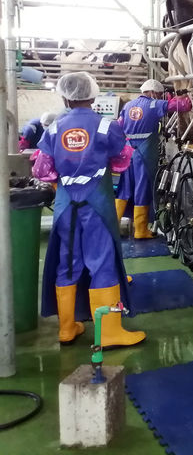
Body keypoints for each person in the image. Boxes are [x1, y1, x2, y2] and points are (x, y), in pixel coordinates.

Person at [33, 71, 145, 348]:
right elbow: (122, 161)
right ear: (93, 95)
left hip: (64, 206)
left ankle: (67, 327)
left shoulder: (54, 128)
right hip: (97, 204)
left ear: (64, 96)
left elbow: (42, 170)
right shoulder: (106, 126)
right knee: (102, 261)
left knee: (66, 262)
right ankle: (109, 332)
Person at [115, 79, 191, 239]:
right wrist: (191, 95)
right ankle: (141, 230)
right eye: (158, 94)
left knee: (124, 188)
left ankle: (113, 227)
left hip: (127, 151)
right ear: (153, 93)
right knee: (143, 187)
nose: (158, 96)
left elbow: (118, 126)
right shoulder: (154, 104)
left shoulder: (127, 106)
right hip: (144, 152)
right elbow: (184, 106)